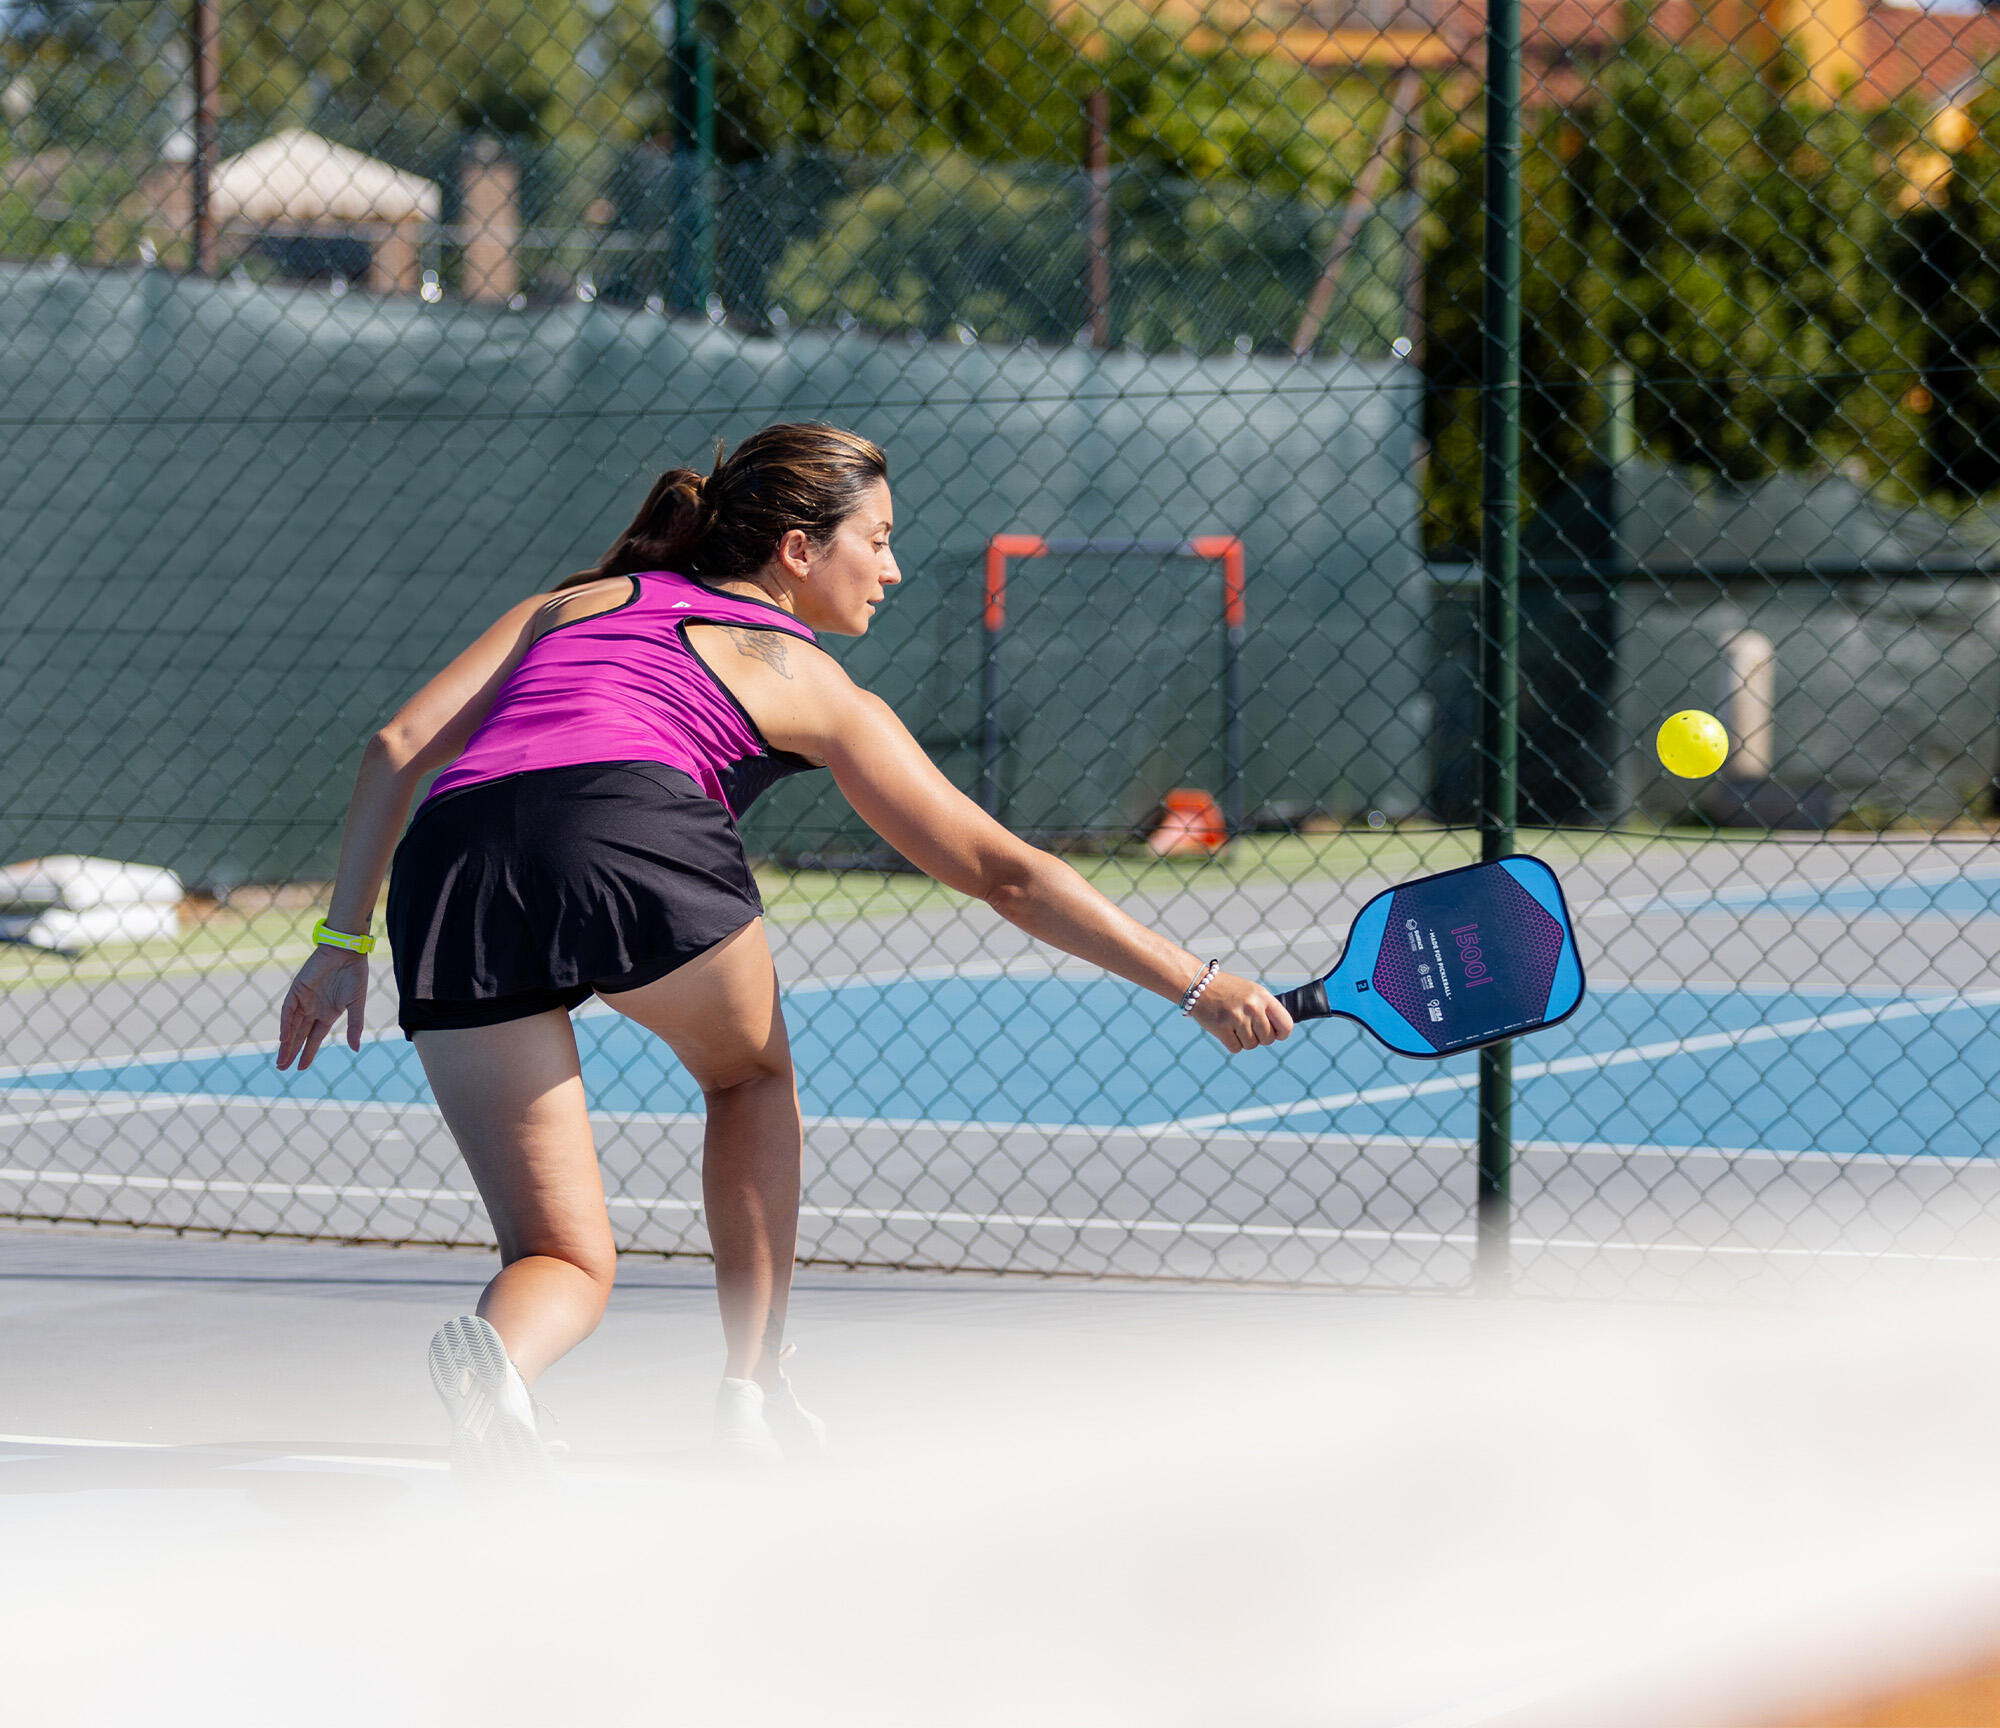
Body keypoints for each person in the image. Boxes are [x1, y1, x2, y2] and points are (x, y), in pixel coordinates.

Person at [274, 421, 1292, 1477]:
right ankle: (750, 1389)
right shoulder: (808, 681)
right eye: (879, 539)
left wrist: (340, 940)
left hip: (453, 857)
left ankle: (500, 1362)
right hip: (630, 821)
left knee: (560, 1250)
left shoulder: (569, 603)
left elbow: (396, 745)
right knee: (750, 1078)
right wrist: (1196, 980)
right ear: (798, 550)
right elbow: (1005, 873)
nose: (892, 568)